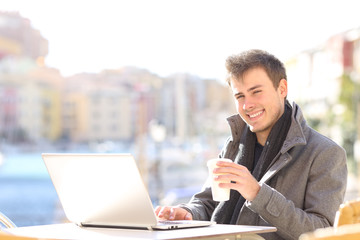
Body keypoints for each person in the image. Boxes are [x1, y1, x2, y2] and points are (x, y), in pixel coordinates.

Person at [155, 49, 348, 240]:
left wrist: (257, 193)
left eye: (256, 92)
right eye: (240, 96)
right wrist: (187, 213)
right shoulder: (233, 145)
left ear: (282, 89)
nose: (247, 105)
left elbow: (323, 233)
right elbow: (208, 203)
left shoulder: (326, 153)